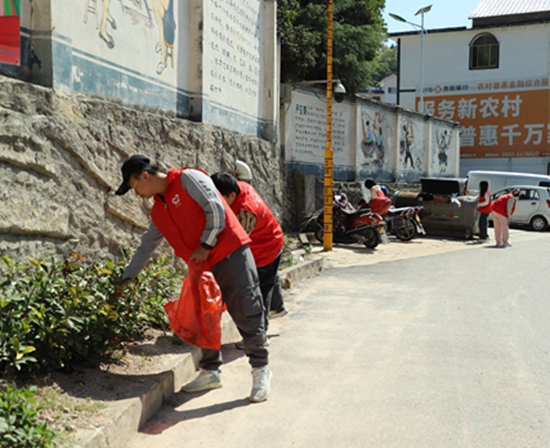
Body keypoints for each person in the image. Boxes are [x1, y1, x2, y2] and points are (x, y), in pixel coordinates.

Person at [114, 155, 271, 403]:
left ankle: (261, 371)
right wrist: (125, 279)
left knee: (246, 310)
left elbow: (216, 209)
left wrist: (206, 245)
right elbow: (147, 247)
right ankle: (210, 372)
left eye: (134, 188)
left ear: (144, 176)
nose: (137, 195)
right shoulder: (159, 210)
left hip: (230, 253)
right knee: (204, 317)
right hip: (202, 266)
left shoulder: (188, 178)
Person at [211, 172, 288, 349]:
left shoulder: (245, 213)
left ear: (231, 195)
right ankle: (278, 307)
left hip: (266, 249)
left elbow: (235, 242)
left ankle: (259, 336)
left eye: (219, 198)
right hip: (272, 237)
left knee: (260, 290)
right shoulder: (239, 187)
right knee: (270, 278)